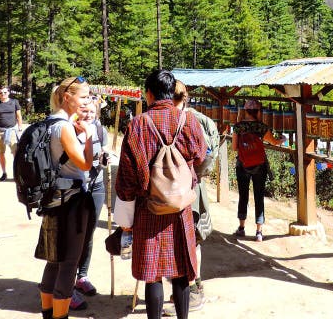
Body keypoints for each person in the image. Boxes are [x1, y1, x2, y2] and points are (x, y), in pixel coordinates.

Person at [116, 70, 207, 319]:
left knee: (152, 272)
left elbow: (126, 176)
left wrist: (124, 214)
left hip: (149, 207)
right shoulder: (188, 121)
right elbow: (200, 156)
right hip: (180, 206)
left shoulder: (138, 124)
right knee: (181, 270)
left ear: (149, 93)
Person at [37, 76, 95, 319]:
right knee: (69, 262)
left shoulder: (48, 123)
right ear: (67, 97)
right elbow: (85, 164)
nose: (87, 101)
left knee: (53, 260)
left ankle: (48, 313)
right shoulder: (64, 127)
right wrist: (89, 136)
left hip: (52, 198)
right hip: (71, 201)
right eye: (83, 96)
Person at [162, 81, 220, 316]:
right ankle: (185, 289)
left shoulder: (192, 121)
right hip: (190, 186)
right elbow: (209, 156)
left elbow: (207, 156)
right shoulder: (194, 118)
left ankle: (192, 289)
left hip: (185, 189)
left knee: (190, 238)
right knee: (184, 238)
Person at [70, 96, 110, 311]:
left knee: (88, 233)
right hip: (75, 187)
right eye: (84, 112)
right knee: (73, 235)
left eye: (92, 113)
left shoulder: (100, 129)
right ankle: (65, 286)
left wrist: (105, 158)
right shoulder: (67, 130)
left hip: (96, 185)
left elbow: (102, 152)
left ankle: (82, 276)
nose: (88, 116)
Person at [232, 98, 285, 242]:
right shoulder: (261, 127)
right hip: (259, 166)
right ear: (258, 112)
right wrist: (283, 139)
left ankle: (241, 228)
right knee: (259, 197)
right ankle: (258, 232)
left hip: (242, 165)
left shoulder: (238, 127)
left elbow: (234, 147)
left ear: (246, 111)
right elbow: (273, 141)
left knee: (243, 196)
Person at [0, 86, 23, 181]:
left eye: (5, 92)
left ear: (8, 93)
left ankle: (17, 173)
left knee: (15, 152)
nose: (3, 94)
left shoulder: (14, 102)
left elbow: (19, 116)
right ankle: (4, 173)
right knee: (1, 153)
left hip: (11, 131)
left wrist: (20, 128)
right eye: (1, 93)